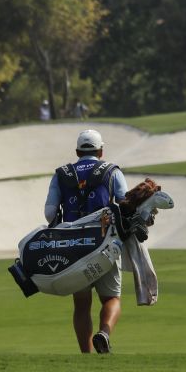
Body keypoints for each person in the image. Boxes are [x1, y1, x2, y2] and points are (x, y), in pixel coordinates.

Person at [44, 129, 128, 354]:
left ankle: (86, 354)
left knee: (81, 304)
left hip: (74, 247)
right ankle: (104, 333)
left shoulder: (61, 174)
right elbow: (125, 205)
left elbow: (50, 213)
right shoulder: (112, 171)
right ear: (101, 151)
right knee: (111, 298)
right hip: (105, 243)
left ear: (77, 151)